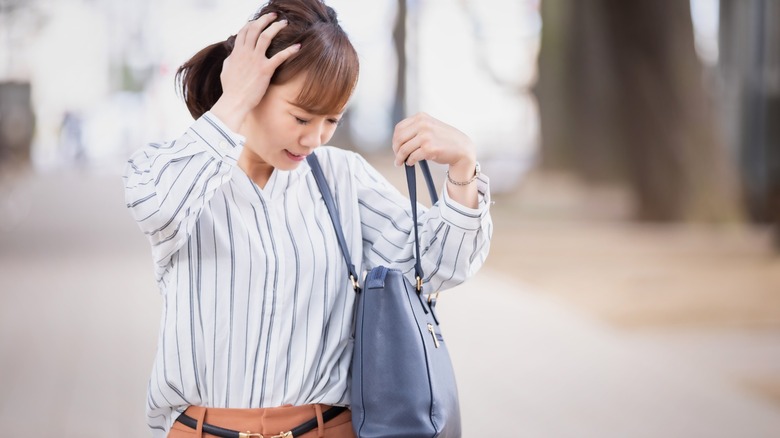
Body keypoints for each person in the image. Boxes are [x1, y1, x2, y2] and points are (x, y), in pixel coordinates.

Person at [123, 0, 492, 436]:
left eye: (331, 120)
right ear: (253, 87)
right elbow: (157, 209)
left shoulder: (341, 179)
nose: (313, 138)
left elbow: (435, 266)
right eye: (300, 116)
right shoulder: (172, 170)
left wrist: (463, 167)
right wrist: (233, 99)